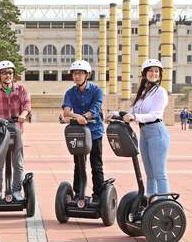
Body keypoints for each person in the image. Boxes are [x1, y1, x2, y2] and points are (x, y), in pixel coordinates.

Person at [111, 59, 170, 197]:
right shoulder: (143, 93)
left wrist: (135, 118)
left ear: (160, 74)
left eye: (156, 71)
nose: (154, 73)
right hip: (144, 133)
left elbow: (155, 114)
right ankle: (150, 202)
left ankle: (164, 204)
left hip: (157, 132)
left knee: (159, 173)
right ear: (144, 73)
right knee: (149, 173)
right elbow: (131, 112)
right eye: (150, 70)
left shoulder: (161, 92)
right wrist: (114, 114)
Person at [0, 60, 31, 201]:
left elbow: (27, 105)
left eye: (10, 72)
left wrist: (23, 115)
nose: (7, 75)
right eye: (4, 73)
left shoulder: (21, 89)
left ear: (13, 74)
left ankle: (16, 191)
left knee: (18, 163)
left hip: (16, 130)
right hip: (0, 131)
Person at [62, 60, 104, 202]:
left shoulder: (96, 91)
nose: (77, 76)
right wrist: (76, 116)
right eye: (74, 73)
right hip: (79, 133)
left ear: (87, 75)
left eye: (80, 73)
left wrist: (85, 116)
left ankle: (98, 195)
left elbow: (96, 108)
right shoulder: (70, 92)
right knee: (78, 164)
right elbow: (66, 111)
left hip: (95, 132)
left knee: (96, 164)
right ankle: (78, 193)